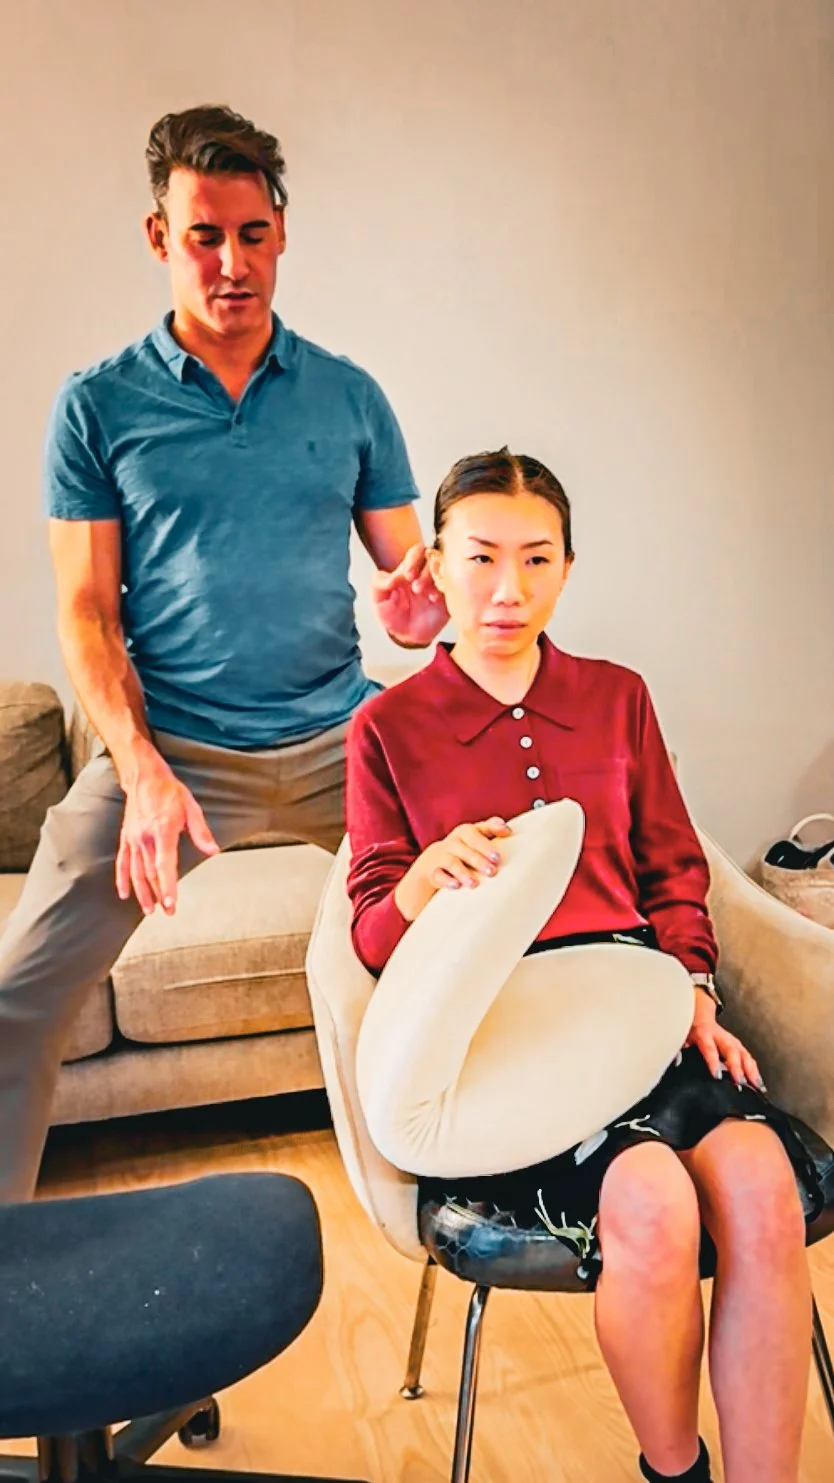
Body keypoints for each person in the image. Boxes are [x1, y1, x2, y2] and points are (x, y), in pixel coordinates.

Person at [345, 448, 827, 1483]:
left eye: (536, 558)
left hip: (643, 1012)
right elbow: (373, 940)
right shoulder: (386, 727)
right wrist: (424, 880)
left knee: (761, 1182)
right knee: (651, 1199)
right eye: (478, 557)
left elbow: (675, 872)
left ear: (568, 567)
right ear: (433, 563)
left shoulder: (617, 699)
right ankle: (676, 1470)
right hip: (505, 1045)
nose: (507, 589)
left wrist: (692, 987)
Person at [0, 104, 447, 1204]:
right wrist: (141, 771)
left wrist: (417, 616)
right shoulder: (99, 406)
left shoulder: (349, 396)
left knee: (497, 911)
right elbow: (87, 617)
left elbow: (410, 593)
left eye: (252, 233)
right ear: (161, 238)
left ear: (281, 231)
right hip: (176, 760)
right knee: (15, 999)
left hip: (339, 738)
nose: (232, 263)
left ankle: (511, 1181)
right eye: (205, 235)